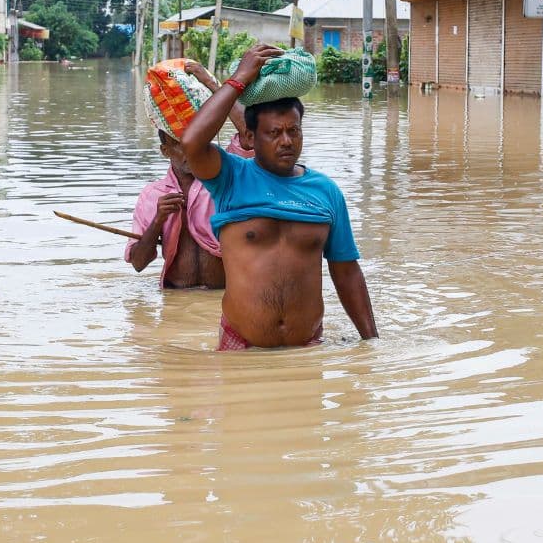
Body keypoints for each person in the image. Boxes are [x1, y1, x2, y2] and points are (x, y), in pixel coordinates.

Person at [181, 44, 378, 349]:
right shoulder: (231, 177)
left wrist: (372, 345)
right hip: (242, 348)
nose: (286, 142)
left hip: (307, 346)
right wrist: (238, 79)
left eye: (293, 131)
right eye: (274, 133)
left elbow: (347, 272)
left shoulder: (326, 191)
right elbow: (192, 142)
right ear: (249, 137)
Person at [125, 61, 250, 289]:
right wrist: (158, 220)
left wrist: (213, 85)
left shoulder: (226, 177)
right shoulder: (152, 195)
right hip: (175, 298)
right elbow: (138, 263)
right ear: (165, 150)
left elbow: (248, 136)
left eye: (197, 140)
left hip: (223, 297)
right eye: (181, 144)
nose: (191, 149)